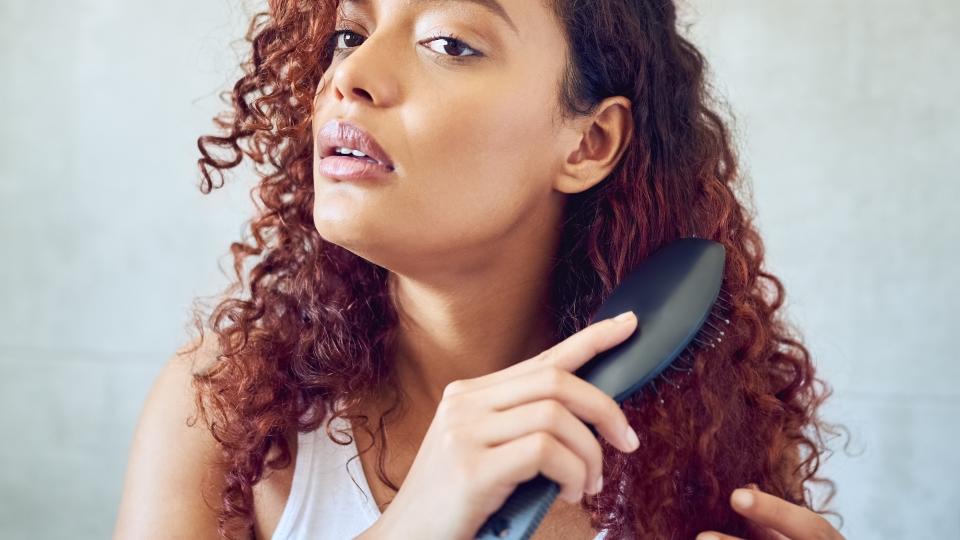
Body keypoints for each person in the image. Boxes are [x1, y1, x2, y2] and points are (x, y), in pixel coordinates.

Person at [114, 0, 847, 538]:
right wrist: (416, 524)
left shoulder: (708, 437)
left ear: (589, 142)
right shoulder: (227, 407)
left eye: (449, 43)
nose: (351, 75)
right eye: (349, 33)